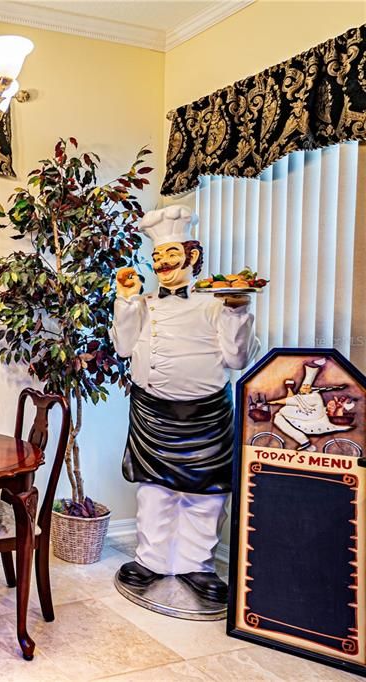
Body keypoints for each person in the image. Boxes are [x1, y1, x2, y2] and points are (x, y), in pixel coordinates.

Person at [111, 205, 259, 604]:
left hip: (206, 415)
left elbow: (236, 359)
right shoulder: (144, 304)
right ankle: (151, 559)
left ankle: (198, 565)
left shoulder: (215, 303)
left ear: (192, 257)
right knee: (154, 490)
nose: (162, 263)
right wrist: (126, 302)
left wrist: (237, 309)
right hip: (151, 413)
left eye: (171, 255)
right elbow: (123, 348)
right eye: (157, 257)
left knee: (206, 494)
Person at [269, 359, 352, 450]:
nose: (303, 388)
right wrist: (289, 389)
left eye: (306, 387)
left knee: (281, 413)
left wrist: (272, 402)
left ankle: (304, 442)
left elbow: (290, 401)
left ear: (311, 390)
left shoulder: (313, 397)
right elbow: (293, 400)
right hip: (306, 417)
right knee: (279, 417)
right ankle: (306, 444)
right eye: (303, 387)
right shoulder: (304, 395)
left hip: (312, 419)